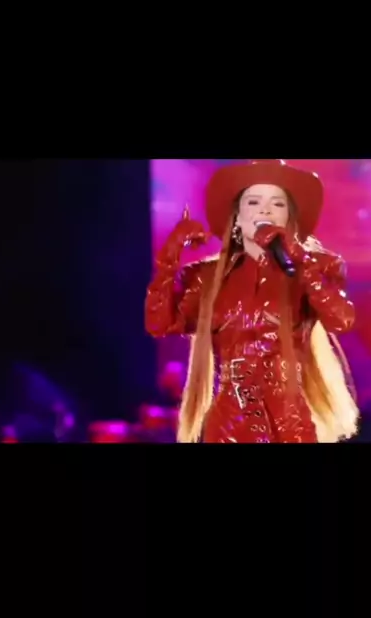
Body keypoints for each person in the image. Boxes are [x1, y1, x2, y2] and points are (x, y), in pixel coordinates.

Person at [145, 159, 359, 443]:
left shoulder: (317, 267)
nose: (265, 210)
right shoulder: (206, 277)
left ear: (289, 217)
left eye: (277, 203)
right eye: (254, 201)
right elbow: (159, 324)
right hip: (229, 423)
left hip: (289, 422)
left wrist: (300, 260)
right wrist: (167, 260)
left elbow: (341, 320)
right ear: (237, 217)